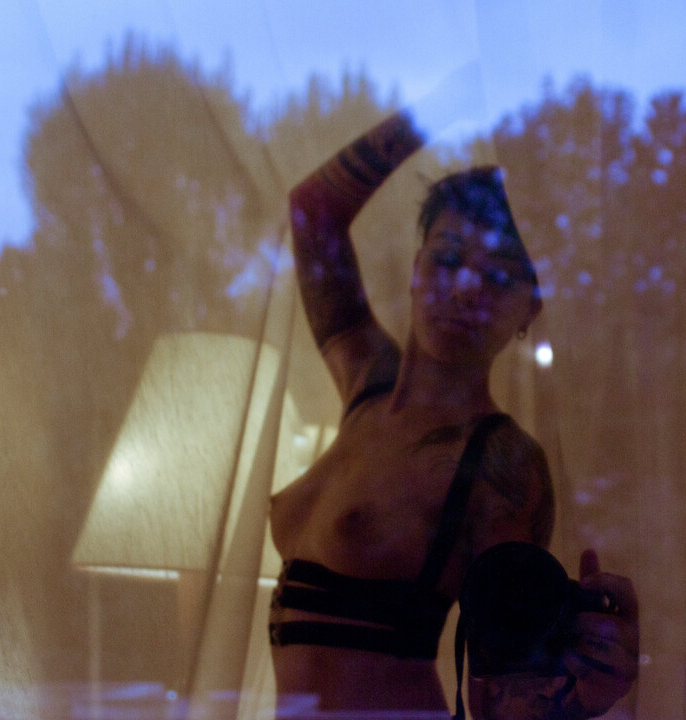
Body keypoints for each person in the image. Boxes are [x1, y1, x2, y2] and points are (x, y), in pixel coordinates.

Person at [269, 108, 638, 719]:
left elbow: (506, 682)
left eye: (499, 275)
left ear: (530, 309)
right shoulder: (365, 384)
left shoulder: (498, 462)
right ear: (416, 269)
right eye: (447, 258)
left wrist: (578, 690)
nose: (467, 287)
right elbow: (313, 211)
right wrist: (434, 109)